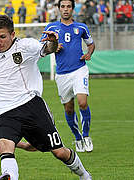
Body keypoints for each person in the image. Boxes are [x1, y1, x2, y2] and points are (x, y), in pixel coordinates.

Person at [0, 15, 92, 180]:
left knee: (59, 152)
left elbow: (48, 49)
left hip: (31, 106)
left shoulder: (26, 46)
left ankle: (84, 175)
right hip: (4, 112)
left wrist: (52, 41)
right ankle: (9, 176)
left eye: (2, 36)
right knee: (5, 146)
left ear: (12, 34)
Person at [41, 0, 95, 153]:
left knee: (82, 102)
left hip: (79, 69)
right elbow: (42, 47)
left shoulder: (81, 27)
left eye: (68, 6)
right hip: (62, 74)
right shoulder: (51, 27)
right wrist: (53, 46)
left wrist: (89, 54)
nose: (66, 9)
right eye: (63, 7)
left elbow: (91, 44)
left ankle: (86, 136)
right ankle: (77, 137)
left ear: (73, 9)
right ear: (59, 9)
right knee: (69, 109)